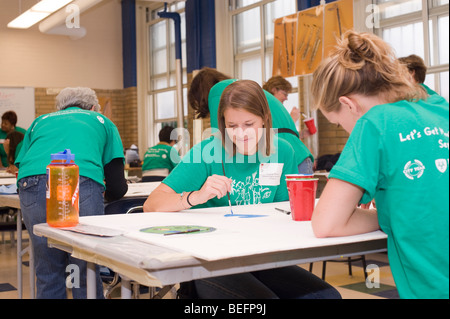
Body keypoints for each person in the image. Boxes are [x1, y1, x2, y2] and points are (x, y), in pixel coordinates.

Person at [144, 80, 341, 299]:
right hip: (211, 261)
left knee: (327, 297)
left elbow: (285, 213)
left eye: (249, 124)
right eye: (231, 126)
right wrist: (196, 196)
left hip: (259, 257)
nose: (240, 134)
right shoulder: (207, 152)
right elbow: (152, 204)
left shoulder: (282, 151)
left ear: (265, 119)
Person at [310, 31, 449, 299]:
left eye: (339, 124)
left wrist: (387, 215)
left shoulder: (373, 123)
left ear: (348, 104)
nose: (346, 132)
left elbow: (326, 223)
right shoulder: (439, 107)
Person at [15, 87, 128, 299]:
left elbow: (22, 164)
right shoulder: (101, 120)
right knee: (84, 266)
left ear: (60, 108)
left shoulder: (40, 120)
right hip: (79, 180)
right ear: (94, 107)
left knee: (47, 267)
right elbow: (117, 186)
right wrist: (98, 196)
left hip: (31, 184)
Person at [188, 67, 314, 174]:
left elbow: (220, 140)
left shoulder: (219, 91)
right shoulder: (246, 91)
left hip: (281, 159)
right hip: (300, 157)